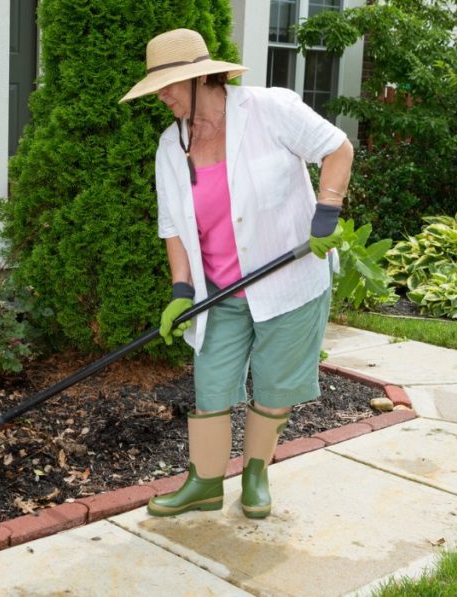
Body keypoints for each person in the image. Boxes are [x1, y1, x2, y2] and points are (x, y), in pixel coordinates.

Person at [119, 28, 353, 519]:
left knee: (273, 385)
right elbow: (173, 227)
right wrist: (182, 290)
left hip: (288, 284)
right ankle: (204, 483)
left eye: (168, 86)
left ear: (200, 78)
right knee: (213, 384)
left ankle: (254, 472)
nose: (160, 96)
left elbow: (337, 148)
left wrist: (326, 213)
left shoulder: (271, 109)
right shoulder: (170, 144)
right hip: (219, 290)